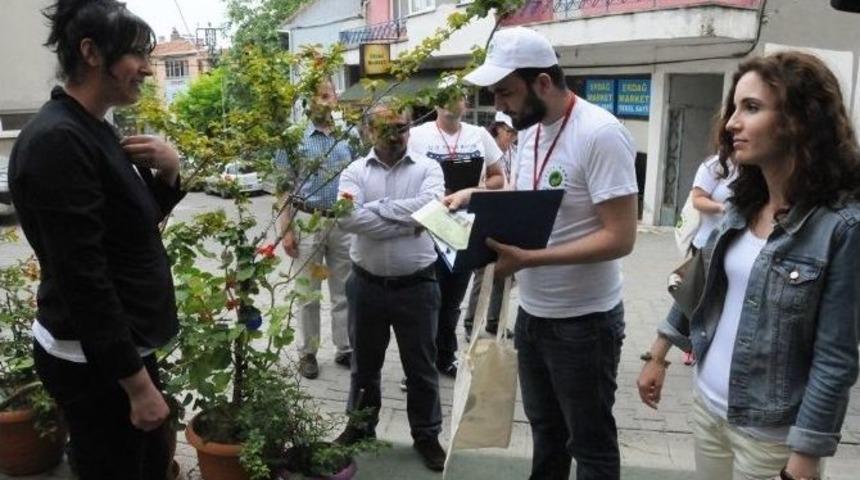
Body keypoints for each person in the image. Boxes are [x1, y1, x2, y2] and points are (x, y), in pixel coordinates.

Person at [637, 51, 860, 480]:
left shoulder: (841, 226)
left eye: (751, 108)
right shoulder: (742, 201)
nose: (731, 123)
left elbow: (835, 358)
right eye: (734, 108)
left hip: (770, 436)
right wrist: (659, 353)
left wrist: (807, 453)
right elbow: (698, 283)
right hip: (708, 409)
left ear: (799, 118)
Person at [450, 26, 639, 480]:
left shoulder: (600, 134)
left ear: (543, 83)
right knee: (547, 434)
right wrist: (473, 198)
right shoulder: (527, 133)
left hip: (585, 323)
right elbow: (522, 196)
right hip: (532, 315)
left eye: (506, 92)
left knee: (589, 443)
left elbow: (622, 237)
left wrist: (530, 260)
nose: (499, 105)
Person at [8, 1, 186, 478]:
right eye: (136, 55)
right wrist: (136, 386)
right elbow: (82, 275)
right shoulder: (58, 141)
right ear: (90, 52)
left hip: (119, 350)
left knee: (147, 463)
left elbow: (130, 228)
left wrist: (168, 172)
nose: (148, 69)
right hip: (95, 363)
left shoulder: (95, 129)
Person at [334, 101, 448, 471]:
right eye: (387, 129)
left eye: (402, 127)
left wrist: (377, 210)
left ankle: (427, 434)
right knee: (364, 365)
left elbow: (432, 208)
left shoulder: (429, 167)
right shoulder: (354, 171)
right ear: (368, 131)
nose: (396, 135)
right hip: (365, 285)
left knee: (422, 367)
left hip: (417, 286)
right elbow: (348, 219)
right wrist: (409, 218)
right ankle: (361, 426)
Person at [407, 88, 505, 379]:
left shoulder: (479, 135)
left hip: (464, 229)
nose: (453, 101)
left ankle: (445, 356)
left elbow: (498, 177)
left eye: (459, 96)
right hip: (428, 228)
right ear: (435, 101)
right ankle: (420, 364)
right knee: (427, 300)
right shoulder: (418, 135)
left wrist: (470, 191)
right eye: (446, 95)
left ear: (466, 103)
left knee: (452, 301)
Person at [277, 78, 354, 379]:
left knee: (344, 290)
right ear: (308, 103)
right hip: (306, 222)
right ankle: (307, 352)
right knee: (308, 293)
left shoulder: (349, 135)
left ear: (335, 99)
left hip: (342, 222)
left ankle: (345, 348)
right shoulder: (294, 138)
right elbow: (283, 187)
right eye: (317, 97)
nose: (324, 101)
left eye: (328, 95)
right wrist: (286, 229)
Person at [462, 112, 518, 340]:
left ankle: (495, 321)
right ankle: (471, 322)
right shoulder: (484, 150)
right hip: (487, 216)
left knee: (507, 273)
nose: (512, 137)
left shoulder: (516, 153)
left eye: (515, 133)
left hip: (512, 216)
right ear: (497, 129)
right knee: (483, 271)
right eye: (509, 132)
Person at [682, 154, 737, 366]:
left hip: (734, 243)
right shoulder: (714, 165)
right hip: (707, 243)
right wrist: (722, 208)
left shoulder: (756, 167)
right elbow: (697, 199)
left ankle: (715, 343)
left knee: (725, 296)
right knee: (696, 295)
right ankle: (689, 344)